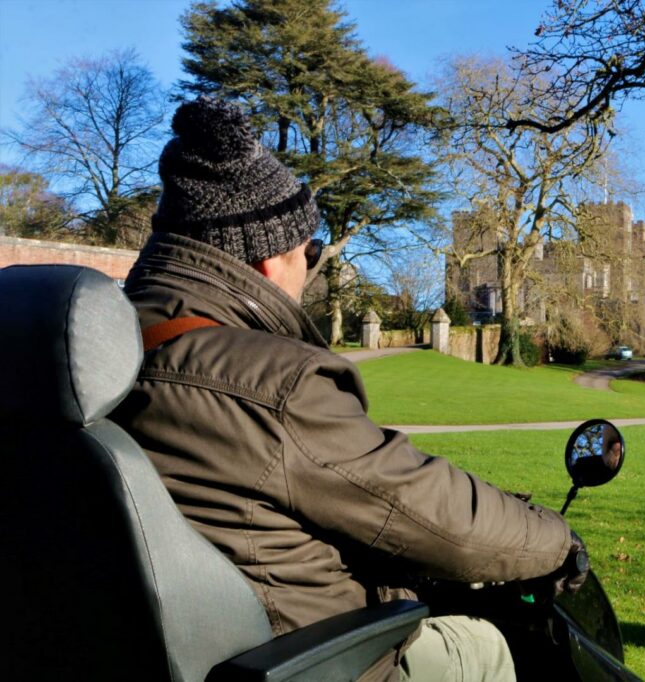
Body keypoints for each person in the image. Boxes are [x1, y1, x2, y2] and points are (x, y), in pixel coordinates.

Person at [111, 97, 586, 682]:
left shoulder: (106, 348)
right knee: (481, 645)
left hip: (170, 647)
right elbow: (428, 512)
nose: (311, 268)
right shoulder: (266, 381)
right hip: (310, 656)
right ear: (267, 259)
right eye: (309, 251)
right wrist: (555, 541)